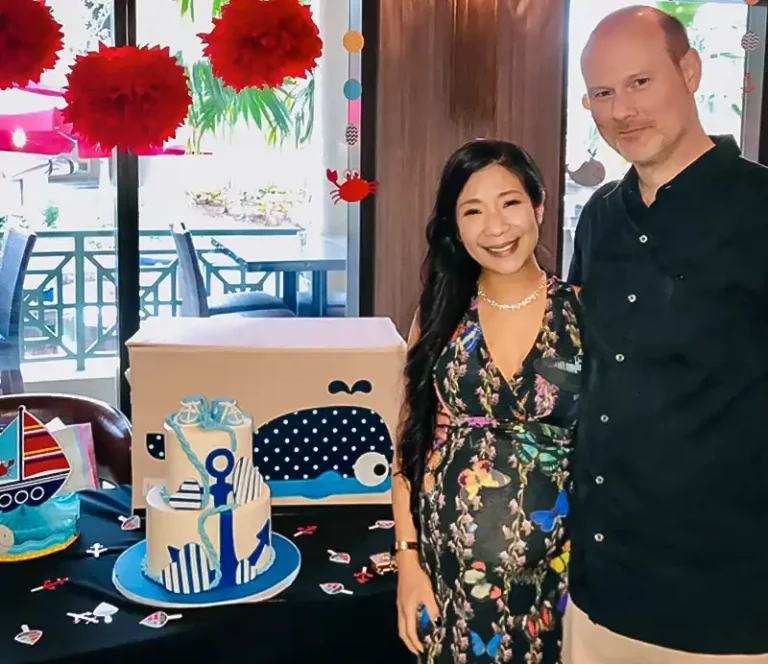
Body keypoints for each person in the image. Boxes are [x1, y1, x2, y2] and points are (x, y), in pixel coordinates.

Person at [565, 5, 768, 663]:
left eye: (640, 82)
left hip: (722, 611)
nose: (622, 109)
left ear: (690, 70)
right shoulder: (598, 217)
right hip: (598, 600)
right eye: (603, 92)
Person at [392, 139, 582, 663]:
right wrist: (408, 562)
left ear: (539, 205)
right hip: (445, 579)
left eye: (510, 203)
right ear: (455, 226)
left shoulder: (585, 314)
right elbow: (409, 441)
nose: (495, 227)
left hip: (558, 586)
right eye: (472, 210)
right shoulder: (440, 313)